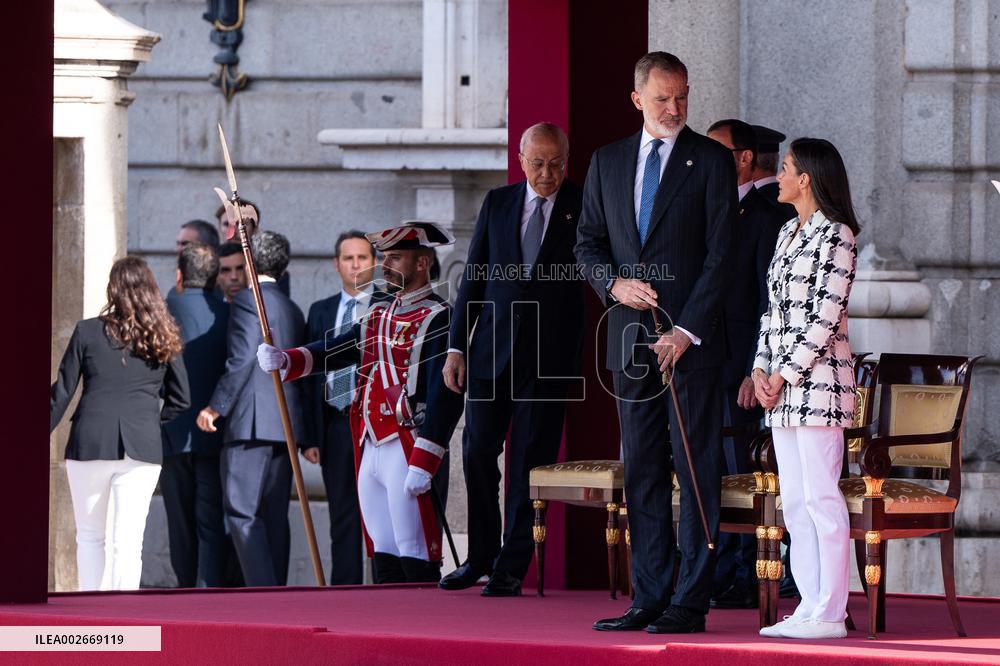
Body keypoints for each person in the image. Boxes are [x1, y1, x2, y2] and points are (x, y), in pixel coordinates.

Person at [576, 51, 736, 634]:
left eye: (682, 96)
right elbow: (587, 244)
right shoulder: (607, 161)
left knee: (694, 471)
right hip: (629, 340)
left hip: (689, 344)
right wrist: (612, 284)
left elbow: (722, 254)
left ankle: (689, 601)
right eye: (663, 98)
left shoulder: (711, 161)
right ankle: (648, 596)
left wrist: (686, 331)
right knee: (642, 469)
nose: (674, 108)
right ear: (637, 98)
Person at [256, 221, 465, 584]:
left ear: (422, 263)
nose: (386, 266)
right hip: (370, 443)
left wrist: (427, 458)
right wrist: (289, 359)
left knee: (414, 549)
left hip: (408, 445)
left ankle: (421, 618)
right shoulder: (379, 313)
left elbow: (444, 394)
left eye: (395, 258)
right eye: (385, 258)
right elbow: (338, 348)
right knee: (382, 549)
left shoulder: (441, 316)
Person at [439, 123, 584, 597]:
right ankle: (479, 556)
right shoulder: (498, 203)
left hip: (549, 355)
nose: (547, 174)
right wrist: (457, 346)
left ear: (566, 161)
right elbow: (474, 277)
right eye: (537, 163)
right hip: (491, 351)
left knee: (530, 461)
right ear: (521, 160)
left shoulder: (584, 204)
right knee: (477, 452)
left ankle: (511, 566)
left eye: (556, 164)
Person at [753, 138, 859, 640]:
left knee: (821, 499)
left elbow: (824, 318)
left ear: (806, 178)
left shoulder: (837, 234)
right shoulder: (785, 232)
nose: (778, 175)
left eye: (786, 168)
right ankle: (808, 606)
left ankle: (831, 613)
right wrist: (760, 369)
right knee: (794, 503)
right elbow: (772, 312)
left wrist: (782, 374)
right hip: (781, 392)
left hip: (819, 389)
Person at [51, 256, 190, 590]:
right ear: (150, 289)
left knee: (89, 537)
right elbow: (182, 399)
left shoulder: (87, 331)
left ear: (112, 289)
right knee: (128, 542)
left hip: (90, 441)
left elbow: (62, 392)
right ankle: (122, 612)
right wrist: (151, 422)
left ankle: (89, 608)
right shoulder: (164, 335)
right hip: (142, 447)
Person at [196, 230, 315, 586]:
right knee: (273, 516)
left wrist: (216, 407)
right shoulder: (291, 306)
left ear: (250, 262)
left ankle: (263, 593)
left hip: (251, 423)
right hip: (283, 425)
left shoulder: (250, 300)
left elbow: (243, 357)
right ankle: (275, 592)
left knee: (242, 512)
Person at [705, 119, 786, 609]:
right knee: (718, 472)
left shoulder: (765, 213)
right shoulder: (720, 206)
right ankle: (721, 569)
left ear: (744, 158)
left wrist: (753, 369)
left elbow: (767, 300)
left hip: (743, 367)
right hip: (712, 361)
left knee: (746, 474)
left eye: (717, 152)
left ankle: (747, 572)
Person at [304, 231, 377, 585]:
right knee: (342, 515)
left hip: (376, 428)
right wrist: (309, 438)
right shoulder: (320, 311)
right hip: (335, 425)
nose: (356, 265)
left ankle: (388, 587)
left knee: (380, 514)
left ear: (375, 262)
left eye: (362, 257)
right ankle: (345, 592)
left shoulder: (386, 305)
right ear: (336, 264)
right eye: (349, 258)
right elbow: (308, 378)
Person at [161, 242, 232, 587]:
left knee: (179, 521)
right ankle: (208, 590)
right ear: (215, 278)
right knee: (210, 519)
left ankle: (184, 587)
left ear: (179, 275)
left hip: (170, 432)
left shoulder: (162, 313)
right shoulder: (228, 313)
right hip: (214, 430)